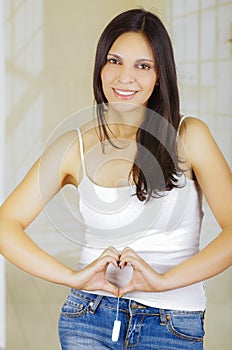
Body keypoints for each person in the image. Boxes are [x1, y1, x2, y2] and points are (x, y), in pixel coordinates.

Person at [0, 8, 231, 350]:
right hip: (89, 318)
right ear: (100, 67)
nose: (125, 78)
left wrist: (163, 282)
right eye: (115, 61)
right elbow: (6, 223)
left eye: (143, 65)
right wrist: (72, 277)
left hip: (171, 325)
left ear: (159, 76)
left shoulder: (189, 135)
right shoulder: (74, 146)